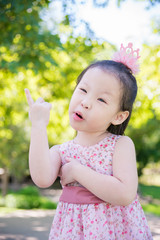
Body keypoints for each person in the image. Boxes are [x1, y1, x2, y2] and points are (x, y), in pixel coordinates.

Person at [25, 43, 153, 240]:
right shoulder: (62, 151)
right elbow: (41, 178)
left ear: (118, 116)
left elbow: (125, 194)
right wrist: (38, 126)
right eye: (83, 90)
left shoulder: (120, 145)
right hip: (73, 232)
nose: (86, 101)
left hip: (114, 232)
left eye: (101, 100)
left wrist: (77, 171)